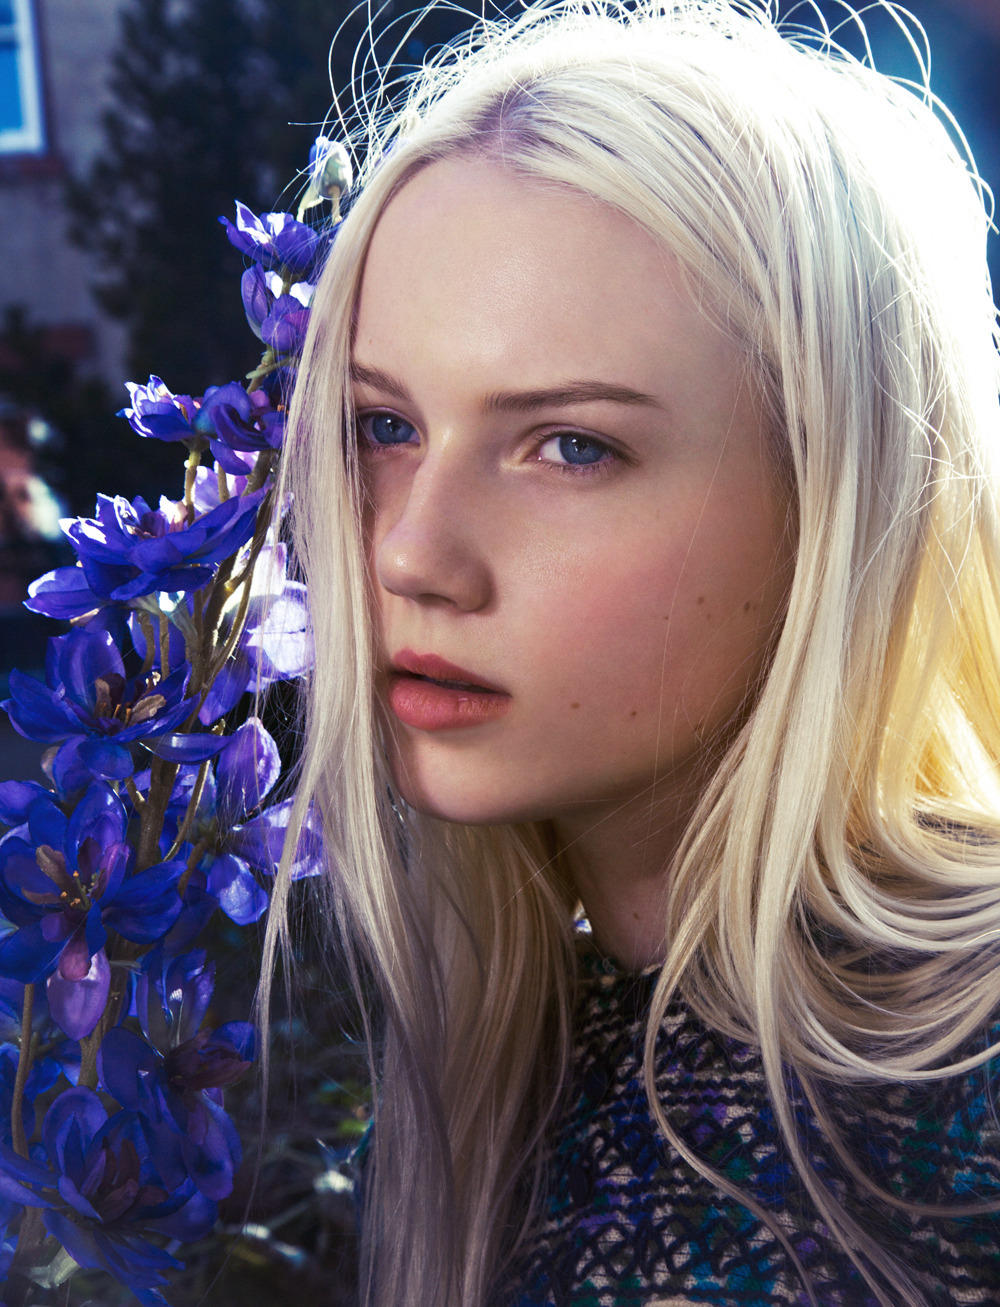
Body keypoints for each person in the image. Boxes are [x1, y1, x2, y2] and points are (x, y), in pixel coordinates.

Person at [263, 1, 1000, 1303]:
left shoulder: (962, 1071)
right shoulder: (510, 1052)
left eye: (573, 446)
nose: (410, 555)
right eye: (384, 426)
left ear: (835, 498)